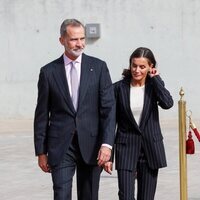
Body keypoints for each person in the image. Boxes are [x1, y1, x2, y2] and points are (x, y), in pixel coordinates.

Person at [34, 19, 115, 200]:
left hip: (93, 146)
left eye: (82, 38)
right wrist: (41, 152)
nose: (79, 44)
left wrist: (107, 145)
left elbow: (108, 109)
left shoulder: (99, 67)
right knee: (61, 195)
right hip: (61, 146)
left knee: (89, 196)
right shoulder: (48, 72)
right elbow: (41, 115)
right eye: (73, 39)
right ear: (62, 40)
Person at [103, 47, 173, 200]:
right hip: (126, 148)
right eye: (134, 65)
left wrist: (156, 79)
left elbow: (168, 103)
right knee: (125, 196)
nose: (137, 70)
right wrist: (109, 156)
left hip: (150, 150)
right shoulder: (118, 88)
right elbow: (110, 122)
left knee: (146, 197)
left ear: (151, 67)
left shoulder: (154, 86)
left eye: (142, 66)